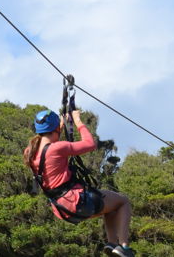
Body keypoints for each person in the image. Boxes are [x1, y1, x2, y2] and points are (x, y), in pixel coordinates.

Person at [24, 109, 136, 256]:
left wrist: (60, 125)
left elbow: (49, 146)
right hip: (76, 201)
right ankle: (124, 246)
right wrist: (77, 121)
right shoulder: (57, 148)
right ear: (55, 128)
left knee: (111, 207)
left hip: (61, 209)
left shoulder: (29, 151)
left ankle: (112, 244)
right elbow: (89, 144)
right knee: (123, 202)